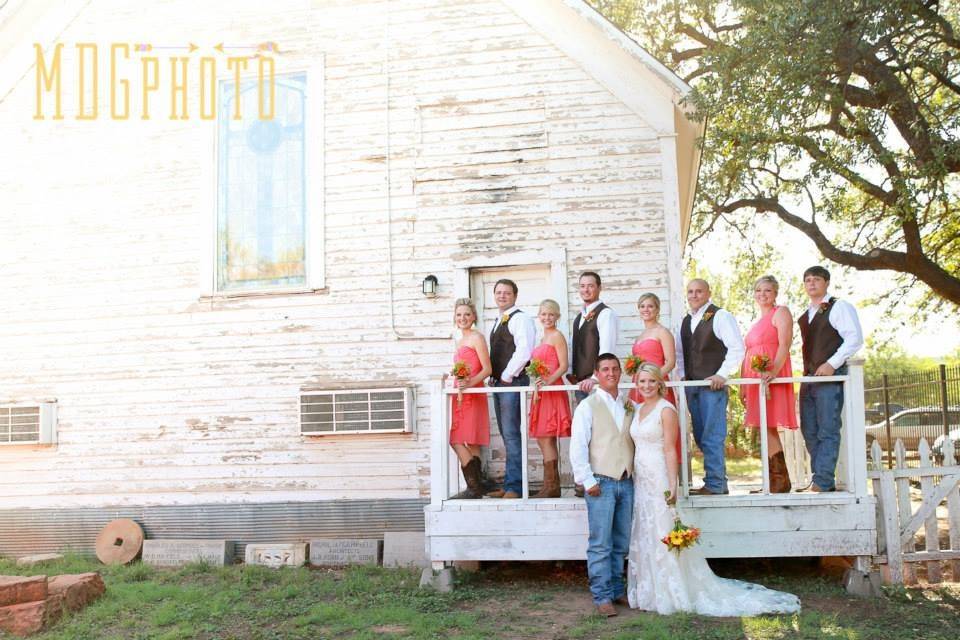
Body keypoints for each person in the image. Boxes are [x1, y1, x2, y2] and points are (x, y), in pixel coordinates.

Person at [626, 363, 801, 615]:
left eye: (651, 381)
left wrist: (672, 484)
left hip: (659, 476)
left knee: (662, 526)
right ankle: (649, 589)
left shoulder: (667, 410)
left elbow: (669, 449)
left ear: (660, 383)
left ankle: (672, 589)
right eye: (642, 382)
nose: (646, 386)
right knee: (646, 528)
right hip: (641, 478)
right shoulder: (638, 409)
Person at [569, 353, 635, 617]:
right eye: (605, 369)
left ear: (620, 373)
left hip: (626, 482)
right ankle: (602, 595)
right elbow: (578, 446)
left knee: (621, 542)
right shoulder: (588, 406)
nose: (611, 373)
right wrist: (587, 480)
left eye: (615, 369)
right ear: (597, 373)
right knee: (600, 543)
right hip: (601, 483)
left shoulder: (629, 405)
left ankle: (618, 590)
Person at [675, 279, 745, 496]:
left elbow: (737, 348)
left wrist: (722, 374)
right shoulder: (686, 321)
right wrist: (683, 377)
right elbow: (680, 354)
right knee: (700, 434)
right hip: (693, 386)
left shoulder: (720, 316)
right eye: (690, 291)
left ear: (708, 293)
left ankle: (715, 484)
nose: (694, 295)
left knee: (712, 435)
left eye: (699, 291)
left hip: (712, 387)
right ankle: (717, 482)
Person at [797, 266, 863, 492]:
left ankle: (823, 481)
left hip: (830, 377)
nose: (811, 283)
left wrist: (832, 364)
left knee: (828, 428)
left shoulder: (839, 307)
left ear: (826, 282)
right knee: (809, 429)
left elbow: (854, 339)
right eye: (807, 280)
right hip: (809, 378)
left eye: (816, 279)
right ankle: (821, 478)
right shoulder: (806, 314)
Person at [740, 276, 798, 493]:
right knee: (764, 428)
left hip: (771, 376)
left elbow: (784, 343)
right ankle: (773, 480)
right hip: (755, 380)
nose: (762, 294)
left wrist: (773, 371)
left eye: (767, 290)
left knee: (769, 426)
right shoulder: (756, 321)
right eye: (758, 290)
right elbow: (747, 353)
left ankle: (780, 481)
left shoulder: (781, 312)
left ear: (775, 293)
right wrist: (743, 384)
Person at [486, 279, 536, 499]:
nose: (502, 296)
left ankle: (516, 487)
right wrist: (493, 376)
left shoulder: (521, 318)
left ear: (515, 295)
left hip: (512, 383)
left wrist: (506, 375)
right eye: (498, 292)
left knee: (512, 435)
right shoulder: (498, 320)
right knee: (507, 435)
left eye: (507, 293)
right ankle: (509, 485)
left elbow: (525, 350)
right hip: (500, 384)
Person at [446, 299, 493, 499]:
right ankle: (478, 486)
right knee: (469, 441)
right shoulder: (460, 341)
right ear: (455, 318)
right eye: (459, 315)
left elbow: (488, 369)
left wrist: (470, 383)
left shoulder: (477, 338)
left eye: (466, 314)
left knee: (457, 440)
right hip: (460, 395)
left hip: (473, 394)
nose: (462, 318)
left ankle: (473, 487)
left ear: (474, 316)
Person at [528, 299, 572, 498]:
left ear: (557, 317)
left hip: (552, 389)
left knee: (546, 437)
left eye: (551, 314)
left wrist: (548, 382)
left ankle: (552, 487)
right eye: (543, 314)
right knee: (542, 438)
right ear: (539, 316)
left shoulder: (557, 336)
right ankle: (550, 485)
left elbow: (563, 365)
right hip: (541, 392)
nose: (547, 318)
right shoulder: (541, 338)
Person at [628, 292, 679, 460]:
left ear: (657, 309)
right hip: (639, 387)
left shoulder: (662, 332)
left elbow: (670, 362)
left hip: (656, 385)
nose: (646, 309)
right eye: (642, 306)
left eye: (650, 306)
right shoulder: (640, 336)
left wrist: (654, 380)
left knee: (661, 430)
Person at [568, 272, 620, 403]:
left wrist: (595, 378)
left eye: (590, 286)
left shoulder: (605, 313)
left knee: (601, 422)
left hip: (596, 384)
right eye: (582, 286)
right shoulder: (579, 317)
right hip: (581, 384)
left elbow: (607, 350)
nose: (585, 290)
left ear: (599, 288)